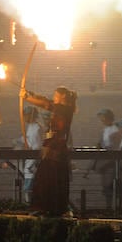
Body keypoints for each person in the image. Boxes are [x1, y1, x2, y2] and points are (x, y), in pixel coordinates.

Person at [21, 85, 77, 216]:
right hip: (53, 145)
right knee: (46, 176)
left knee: (49, 176)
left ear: (62, 97)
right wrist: (31, 95)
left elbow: (45, 103)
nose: (53, 97)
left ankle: (50, 206)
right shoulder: (62, 108)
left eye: (56, 95)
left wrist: (27, 97)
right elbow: (45, 102)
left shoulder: (63, 108)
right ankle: (47, 206)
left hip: (56, 147)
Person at [84, 108, 122, 210]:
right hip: (104, 162)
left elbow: (116, 147)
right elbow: (101, 144)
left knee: (114, 186)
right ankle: (109, 207)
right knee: (106, 186)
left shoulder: (116, 130)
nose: (101, 119)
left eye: (103, 117)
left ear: (108, 117)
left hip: (112, 162)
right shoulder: (104, 130)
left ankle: (117, 208)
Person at [17, 105, 45, 204]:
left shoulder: (37, 128)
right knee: (28, 188)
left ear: (30, 115)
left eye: (25, 115)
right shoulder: (30, 127)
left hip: (33, 164)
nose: (24, 118)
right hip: (29, 162)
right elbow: (28, 140)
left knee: (30, 188)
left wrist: (32, 163)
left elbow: (37, 147)